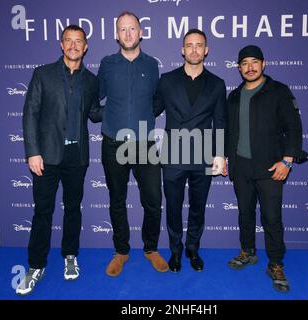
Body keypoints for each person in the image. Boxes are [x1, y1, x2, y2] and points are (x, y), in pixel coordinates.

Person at [16, 25, 102, 295]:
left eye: (79, 41)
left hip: (77, 156)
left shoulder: (91, 80)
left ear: (85, 47)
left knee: (73, 208)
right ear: (61, 45)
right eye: (69, 41)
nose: (74, 46)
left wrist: (123, 102)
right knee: (43, 211)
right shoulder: (43, 74)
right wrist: (32, 151)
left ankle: (70, 255)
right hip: (47, 155)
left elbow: (96, 114)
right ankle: (36, 265)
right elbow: (30, 113)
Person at [225, 45, 307, 292]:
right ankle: (248, 251)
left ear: (263, 64)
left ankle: (275, 263)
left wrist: (287, 160)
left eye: (254, 62)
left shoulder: (278, 91)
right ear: (239, 68)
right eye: (244, 63)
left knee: (272, 218)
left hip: (271, 167)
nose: (249, 67)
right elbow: (230, 132)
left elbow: (294, 127)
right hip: (241, 167)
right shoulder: (235, 96)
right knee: (245, 213)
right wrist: (229, 160)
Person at [98, 11, 168, 276]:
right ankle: (121, 251)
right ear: (116, 34)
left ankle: (151, 248)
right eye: (122, 29)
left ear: (141, 33)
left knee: (152, 200)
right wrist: (110, 118)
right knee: (117, 200)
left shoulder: (151, 65)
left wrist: (144, 117)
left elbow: (157, 101)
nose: (127, 34)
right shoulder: (107, 64)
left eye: (132, 29)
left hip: (145, 143)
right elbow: (95, 99)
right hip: (114, 144)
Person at [154, 29, 226, 272]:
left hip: (203, 155)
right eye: (189, 45)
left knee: (198, 207)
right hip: (173, 155)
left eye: (199, 45)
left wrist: (220, 154)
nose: (194, 49)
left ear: (206, 50)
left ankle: (192, 249)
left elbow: (220, 122)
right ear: (182, 50)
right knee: (173, 207)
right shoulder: (166, 80)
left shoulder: (217, 84)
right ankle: (175, 250)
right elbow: (151, 109)